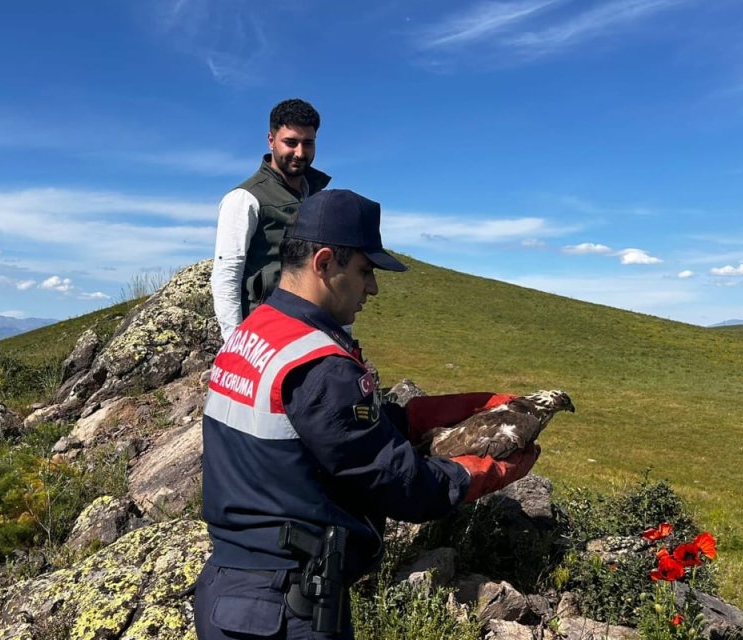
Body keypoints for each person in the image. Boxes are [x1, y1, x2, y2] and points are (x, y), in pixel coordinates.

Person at [195, 189, 541, 639]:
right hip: (286, 606)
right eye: (364, 271)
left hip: (232, 588)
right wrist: (486, 472)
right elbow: (401, 484)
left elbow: (335, 433)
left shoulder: (255, 332)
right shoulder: (317, 364)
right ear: (323, 263)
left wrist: (466, 406)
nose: (372, 288)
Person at [211, 98, 332, 342]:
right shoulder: (244, 199)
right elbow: (226, 275)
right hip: (264, 333)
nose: (299, 152)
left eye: (308, 143)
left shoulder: (317, 197)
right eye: (291, 142)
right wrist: (235, 345)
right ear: (271, 140)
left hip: (311, 330)